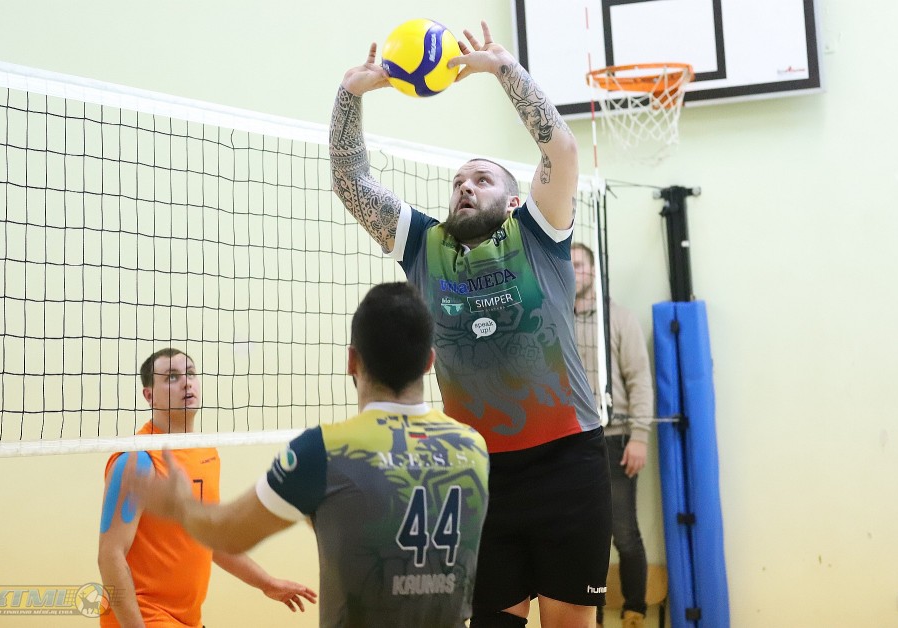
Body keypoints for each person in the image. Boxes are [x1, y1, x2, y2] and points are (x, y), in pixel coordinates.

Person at [329, 21, 611, 628]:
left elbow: (560, 150)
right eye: (458, 181)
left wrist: (503, 69)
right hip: (477, 470)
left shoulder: (538, 233)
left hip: (568, 463)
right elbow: (351, 184)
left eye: (482, 179)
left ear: (513, 201)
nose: (465, 186)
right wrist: (350, 94)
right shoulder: (423, 246)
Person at [122, 283, 491, 627]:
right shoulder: (472, 446)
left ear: (352, 361)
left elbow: (228, 534)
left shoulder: (323, 451)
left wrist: (181, 505)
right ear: (429, 361)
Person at [97, 347, 317, 627]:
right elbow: (110, 555)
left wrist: (266, 583)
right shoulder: (136, 459)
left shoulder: (207, 452)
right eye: (172, 377)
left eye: (190, 373)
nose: (186, 382)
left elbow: (209, 536)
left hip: (188, 619)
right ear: (149, 395)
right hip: (144, 616)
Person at [571, 242, 655, 628]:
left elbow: (640, 381)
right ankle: (592, 617)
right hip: (571, 443)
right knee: (583, 538)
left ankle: (634, 611)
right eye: (568, 265)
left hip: (616, 438)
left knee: (624, 533)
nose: (574, 272)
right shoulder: (555, 319)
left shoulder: (619, 319)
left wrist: (639, 437)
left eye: (580, 265)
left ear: (594, 271)